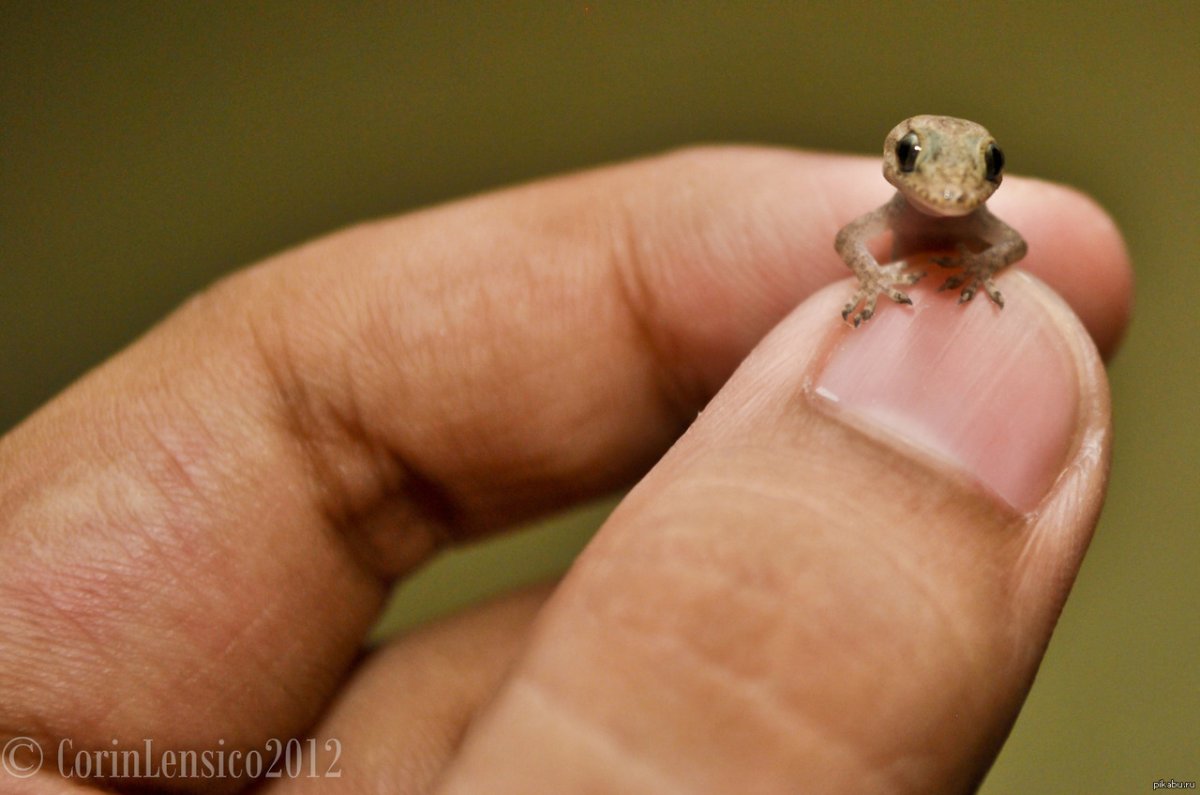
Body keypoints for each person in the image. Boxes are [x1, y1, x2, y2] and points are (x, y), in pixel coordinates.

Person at [0, 146, 1132, 792]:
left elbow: (1012, 248)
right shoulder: (877, 224)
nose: (944, 188)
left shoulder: (983, 231)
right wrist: (880, 291)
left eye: (973, 170)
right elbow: (853, 249)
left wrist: (964, 283)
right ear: (895, 167)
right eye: (917, 164)